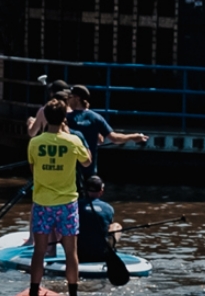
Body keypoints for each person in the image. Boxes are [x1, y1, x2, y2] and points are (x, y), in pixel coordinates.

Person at [61, 84, 143, 275]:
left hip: (71, 173)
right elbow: (114, 138)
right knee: (91, 210)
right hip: (90, 172)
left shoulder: (66, 119)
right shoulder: (96, 117)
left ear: (77, 98)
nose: (68, 100)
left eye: (70, 96)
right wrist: (135, 137)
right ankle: (100, 241)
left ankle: (71, 245)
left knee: (72, 211)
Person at [21, 99, 92, 296]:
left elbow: (34, 170)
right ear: (64, 118)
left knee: (39, 251)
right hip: (67, 203)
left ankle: (33, 295)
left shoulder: (34, 143)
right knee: (71, 252)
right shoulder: (73, 141)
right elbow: (87, 162)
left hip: (43, 202)